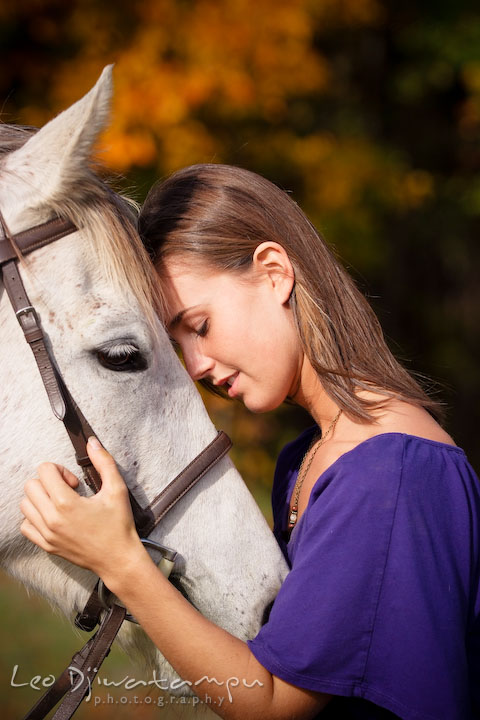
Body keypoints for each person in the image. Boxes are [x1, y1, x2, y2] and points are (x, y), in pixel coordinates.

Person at [20, 164, 480, 719]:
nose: (195, 365)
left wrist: (121, 562)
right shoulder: (309, 456)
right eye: (176, 343)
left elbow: (273, 703)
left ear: (273, 272)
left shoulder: (391, 468)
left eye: (201, 326)